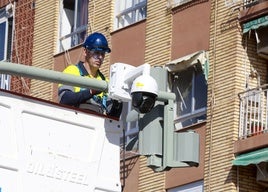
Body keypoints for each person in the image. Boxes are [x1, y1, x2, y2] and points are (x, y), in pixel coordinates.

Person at [58, 32, 122, 118]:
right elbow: (64, 99)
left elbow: (112, 115)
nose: (100, 57)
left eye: (102, 54)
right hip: (74, 122)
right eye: (96, 53)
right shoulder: (72, 71)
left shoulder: (105, 82)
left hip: (95, 127)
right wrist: (90, 92)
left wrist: (118, 101)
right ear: (85, 51)